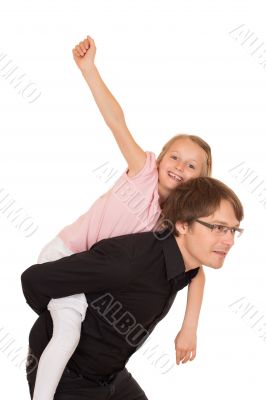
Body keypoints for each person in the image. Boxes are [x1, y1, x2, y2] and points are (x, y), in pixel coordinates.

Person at [30, 35, 212, 400]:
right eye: (174, 156)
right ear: (159, 159)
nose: (179, 166)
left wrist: (188, 327)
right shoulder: (142, 172)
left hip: (96, 282)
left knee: (87, 334)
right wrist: (89, 70)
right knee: (67, 332)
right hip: (66, 258)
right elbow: (117, 121)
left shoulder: (174, 223)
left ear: (201, 182)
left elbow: (198, 271)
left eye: (191, 165)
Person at [21, 176, 244, 400]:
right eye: (218, 228)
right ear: (183, 225)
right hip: (67, 375)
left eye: (234, 230)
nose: (230, 241)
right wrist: (61, 314)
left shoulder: (187, 263)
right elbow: (34, 279)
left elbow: (197, 276)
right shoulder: (129, 263)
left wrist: (189, 328)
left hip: (112, 375)